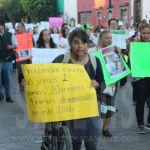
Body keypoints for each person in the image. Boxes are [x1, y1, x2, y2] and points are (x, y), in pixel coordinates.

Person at [44, 29, 104, 150]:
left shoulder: (95, 61)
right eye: (76, 42)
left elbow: (103, 84)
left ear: (87, 44)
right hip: (70, 111)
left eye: (83, 42)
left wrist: (97, 85)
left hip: (90, 110)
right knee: (74, 144)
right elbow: (46, 77)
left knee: (91, 145)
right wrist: (28, 80)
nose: (80, 46)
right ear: (70, 43)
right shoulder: (62, 60)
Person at [97, 30, 118, 137]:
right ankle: (94, 125)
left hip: (111, 82)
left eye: (110, 38)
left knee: (108, 103)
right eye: (107, 38)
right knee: (97, 103)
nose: (109, 40)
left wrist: (120, 55)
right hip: (98, 81)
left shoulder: (114, 50)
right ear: (101, 39)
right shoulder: (94, 51)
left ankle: (105, 128)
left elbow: (119, 66)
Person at [129, 23, 150, 134]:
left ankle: (149, 122)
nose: (146, 35)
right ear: (140, 33)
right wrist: (132, 45)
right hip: (139, 77)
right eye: (144, 33)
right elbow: (130, 57)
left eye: (148, 33)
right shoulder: (136, 43)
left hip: (149, 75)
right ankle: (140, 124)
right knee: (141, 100)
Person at [0, 20, 18, 103]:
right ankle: (1, 95)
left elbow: (16, 45)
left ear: (2, 26)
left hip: (7, 60)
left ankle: (8, 96)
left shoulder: (10, 35)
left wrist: (10, 47)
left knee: (7, 79)